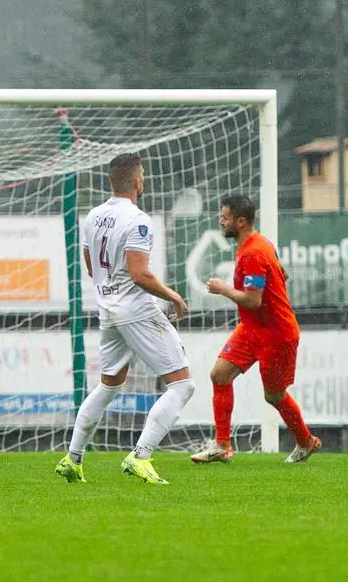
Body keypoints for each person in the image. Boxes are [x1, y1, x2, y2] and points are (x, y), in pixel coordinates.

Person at [55, 153, 196, 485]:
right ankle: (141, 456)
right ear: (137, 181)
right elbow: (139, 275)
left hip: (107, 309)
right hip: (136, 311)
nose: (143, 180)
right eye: (143, 175)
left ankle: (72, 458)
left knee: (108, 386)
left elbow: (91, 267)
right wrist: (173, 296)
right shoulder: (138, 220)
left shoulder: (93, 216)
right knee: (182, 385)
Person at [190, 195, 321, 464]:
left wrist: (222, 289)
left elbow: (253, 300)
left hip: (276, 333)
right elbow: (282, 273)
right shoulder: (259, 244)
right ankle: (222, 445)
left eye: (224, 217)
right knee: (220, 374)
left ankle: (306, 441)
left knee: (273, 395)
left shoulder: (252, 252)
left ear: (240, 222)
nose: (220, 220)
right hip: (252, 328)